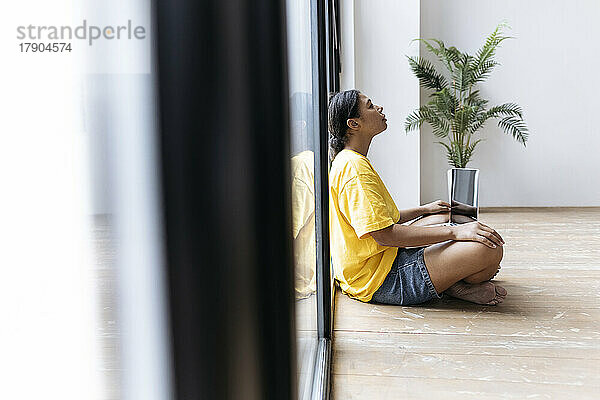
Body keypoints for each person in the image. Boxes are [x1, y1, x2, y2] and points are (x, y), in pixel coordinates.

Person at [328, 89, 507, 306]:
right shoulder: (354, 169)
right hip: (382, 281)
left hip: (384, 260)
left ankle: (451, 283)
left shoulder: (349, 160)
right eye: (370, 106)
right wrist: (455, 232)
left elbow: (381, 220)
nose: (379, 108)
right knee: (489, 248)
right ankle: (453, 284)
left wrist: (424, 210)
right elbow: (384, 235)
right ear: (353, 124)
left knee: (447, 216)